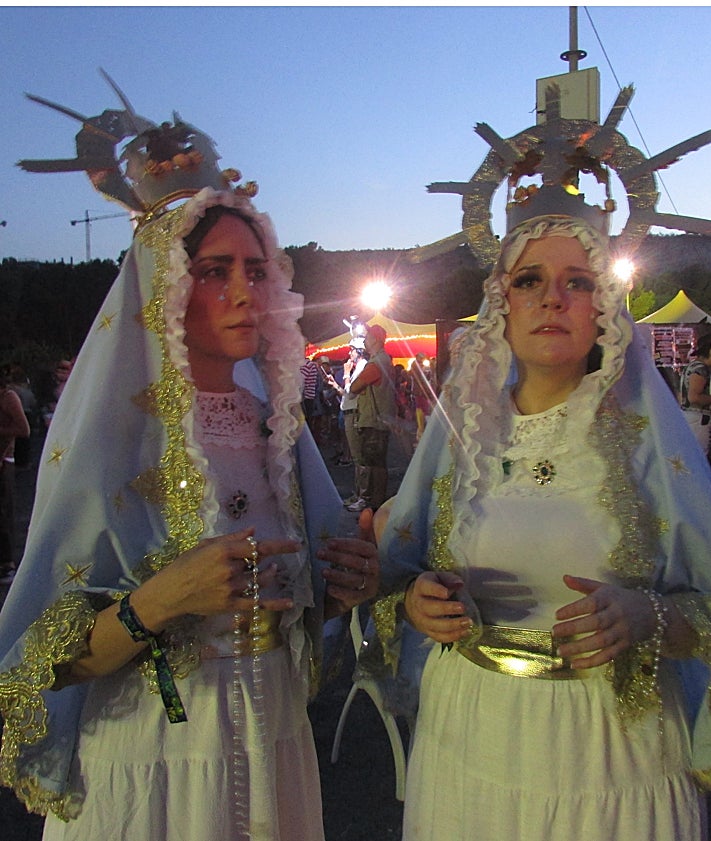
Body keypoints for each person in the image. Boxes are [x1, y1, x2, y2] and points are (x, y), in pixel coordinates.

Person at [0, 115, 379, 840]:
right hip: (152, 751)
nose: (244, 291)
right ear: (162, 283)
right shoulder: (111, 439)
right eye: (214, 271)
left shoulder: (276, 431)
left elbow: (299, 600)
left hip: (271, 737)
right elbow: (47, 660)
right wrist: (159, 601)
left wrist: (342, 584)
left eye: (255, 269)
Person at [370, 207, 711, 840]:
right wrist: (417, 604)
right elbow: (395, 576)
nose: (552, 298)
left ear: (603, 305)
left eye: (577, 281)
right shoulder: (461, 433)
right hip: (468, 734)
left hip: (614, 750)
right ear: (501, 302)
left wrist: (650, 617)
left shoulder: (649, 444)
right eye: (529, 280)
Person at [347, 323, 396, 513]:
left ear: (375, 340)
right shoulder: (384, 361)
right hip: (380, 419)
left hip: (374, 421)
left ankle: (375, 504)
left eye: (367, 338)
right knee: (378, 462)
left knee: (374, 463)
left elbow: (355, 387)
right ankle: (377, 502)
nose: (365, 342)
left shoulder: (376, 364)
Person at [0, 371, 30, 581]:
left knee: (3, 511)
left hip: (4, 460)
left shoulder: (8, 397)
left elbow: (23, 429)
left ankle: (7, 563)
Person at [679, 331, 711, 457]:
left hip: (689, 417)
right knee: (699, 457)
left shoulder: (692, 366)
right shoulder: (700, 369)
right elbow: (694, 397)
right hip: (698, 419)